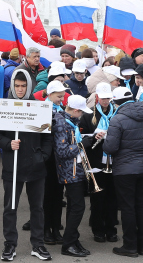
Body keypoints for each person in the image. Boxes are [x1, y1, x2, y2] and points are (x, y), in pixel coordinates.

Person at [0, 72, 53, 262]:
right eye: (17, 86)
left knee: (37, 208)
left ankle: (38, 244)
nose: (20, 89)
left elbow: (48, 135)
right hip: (12, 166)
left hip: (36, 167)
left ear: (29, 87)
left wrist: (43, 155)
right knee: (10, 208)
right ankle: (10, 244)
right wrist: (8, 144)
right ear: (12, 86)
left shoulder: (39, 108)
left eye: (23, 86)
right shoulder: (4, 107)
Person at [103, 86, 143, 257]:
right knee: (142, 205)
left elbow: (110, 148)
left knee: (127, 208)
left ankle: (130, 246)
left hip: (124, 169)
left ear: (116, 102)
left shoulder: (117, 119)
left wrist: (104, 141)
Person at [53, 94, 93, 258]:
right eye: (81, 112)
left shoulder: (69, 121)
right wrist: (82, 144)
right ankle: (68, 243)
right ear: (75, 110)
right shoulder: (62, 124)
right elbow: (62, 151)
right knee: (78, 207)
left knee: (74, 207)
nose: (82, 115)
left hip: (75, 169)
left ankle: (72, 239)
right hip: (70, 171)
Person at [79, 83, 117, 243]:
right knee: (97, 198)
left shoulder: (116, 113)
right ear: (97, 98)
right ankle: (98, 230)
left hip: (113, 161)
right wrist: (93, 137)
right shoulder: (88, 116)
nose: (106, 101)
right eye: (103, 98)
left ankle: (111, 229)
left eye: (108, 98)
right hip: (96, 160)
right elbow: (81, 139)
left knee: (112, 198)